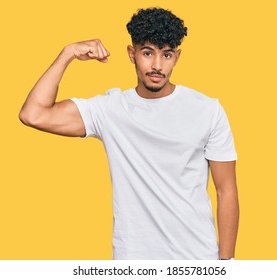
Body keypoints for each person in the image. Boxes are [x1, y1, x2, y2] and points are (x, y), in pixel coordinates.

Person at [19, 7, 239, 260]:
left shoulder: (207, 109)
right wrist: (67, 53)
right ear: (131, 54)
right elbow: (33, 114)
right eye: (148, 53)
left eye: (166, 55)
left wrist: (227, 263)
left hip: (197, 257)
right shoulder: (110, 110)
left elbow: (226, 190)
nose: (157, 65)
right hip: (132, 259)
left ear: (177, 57)